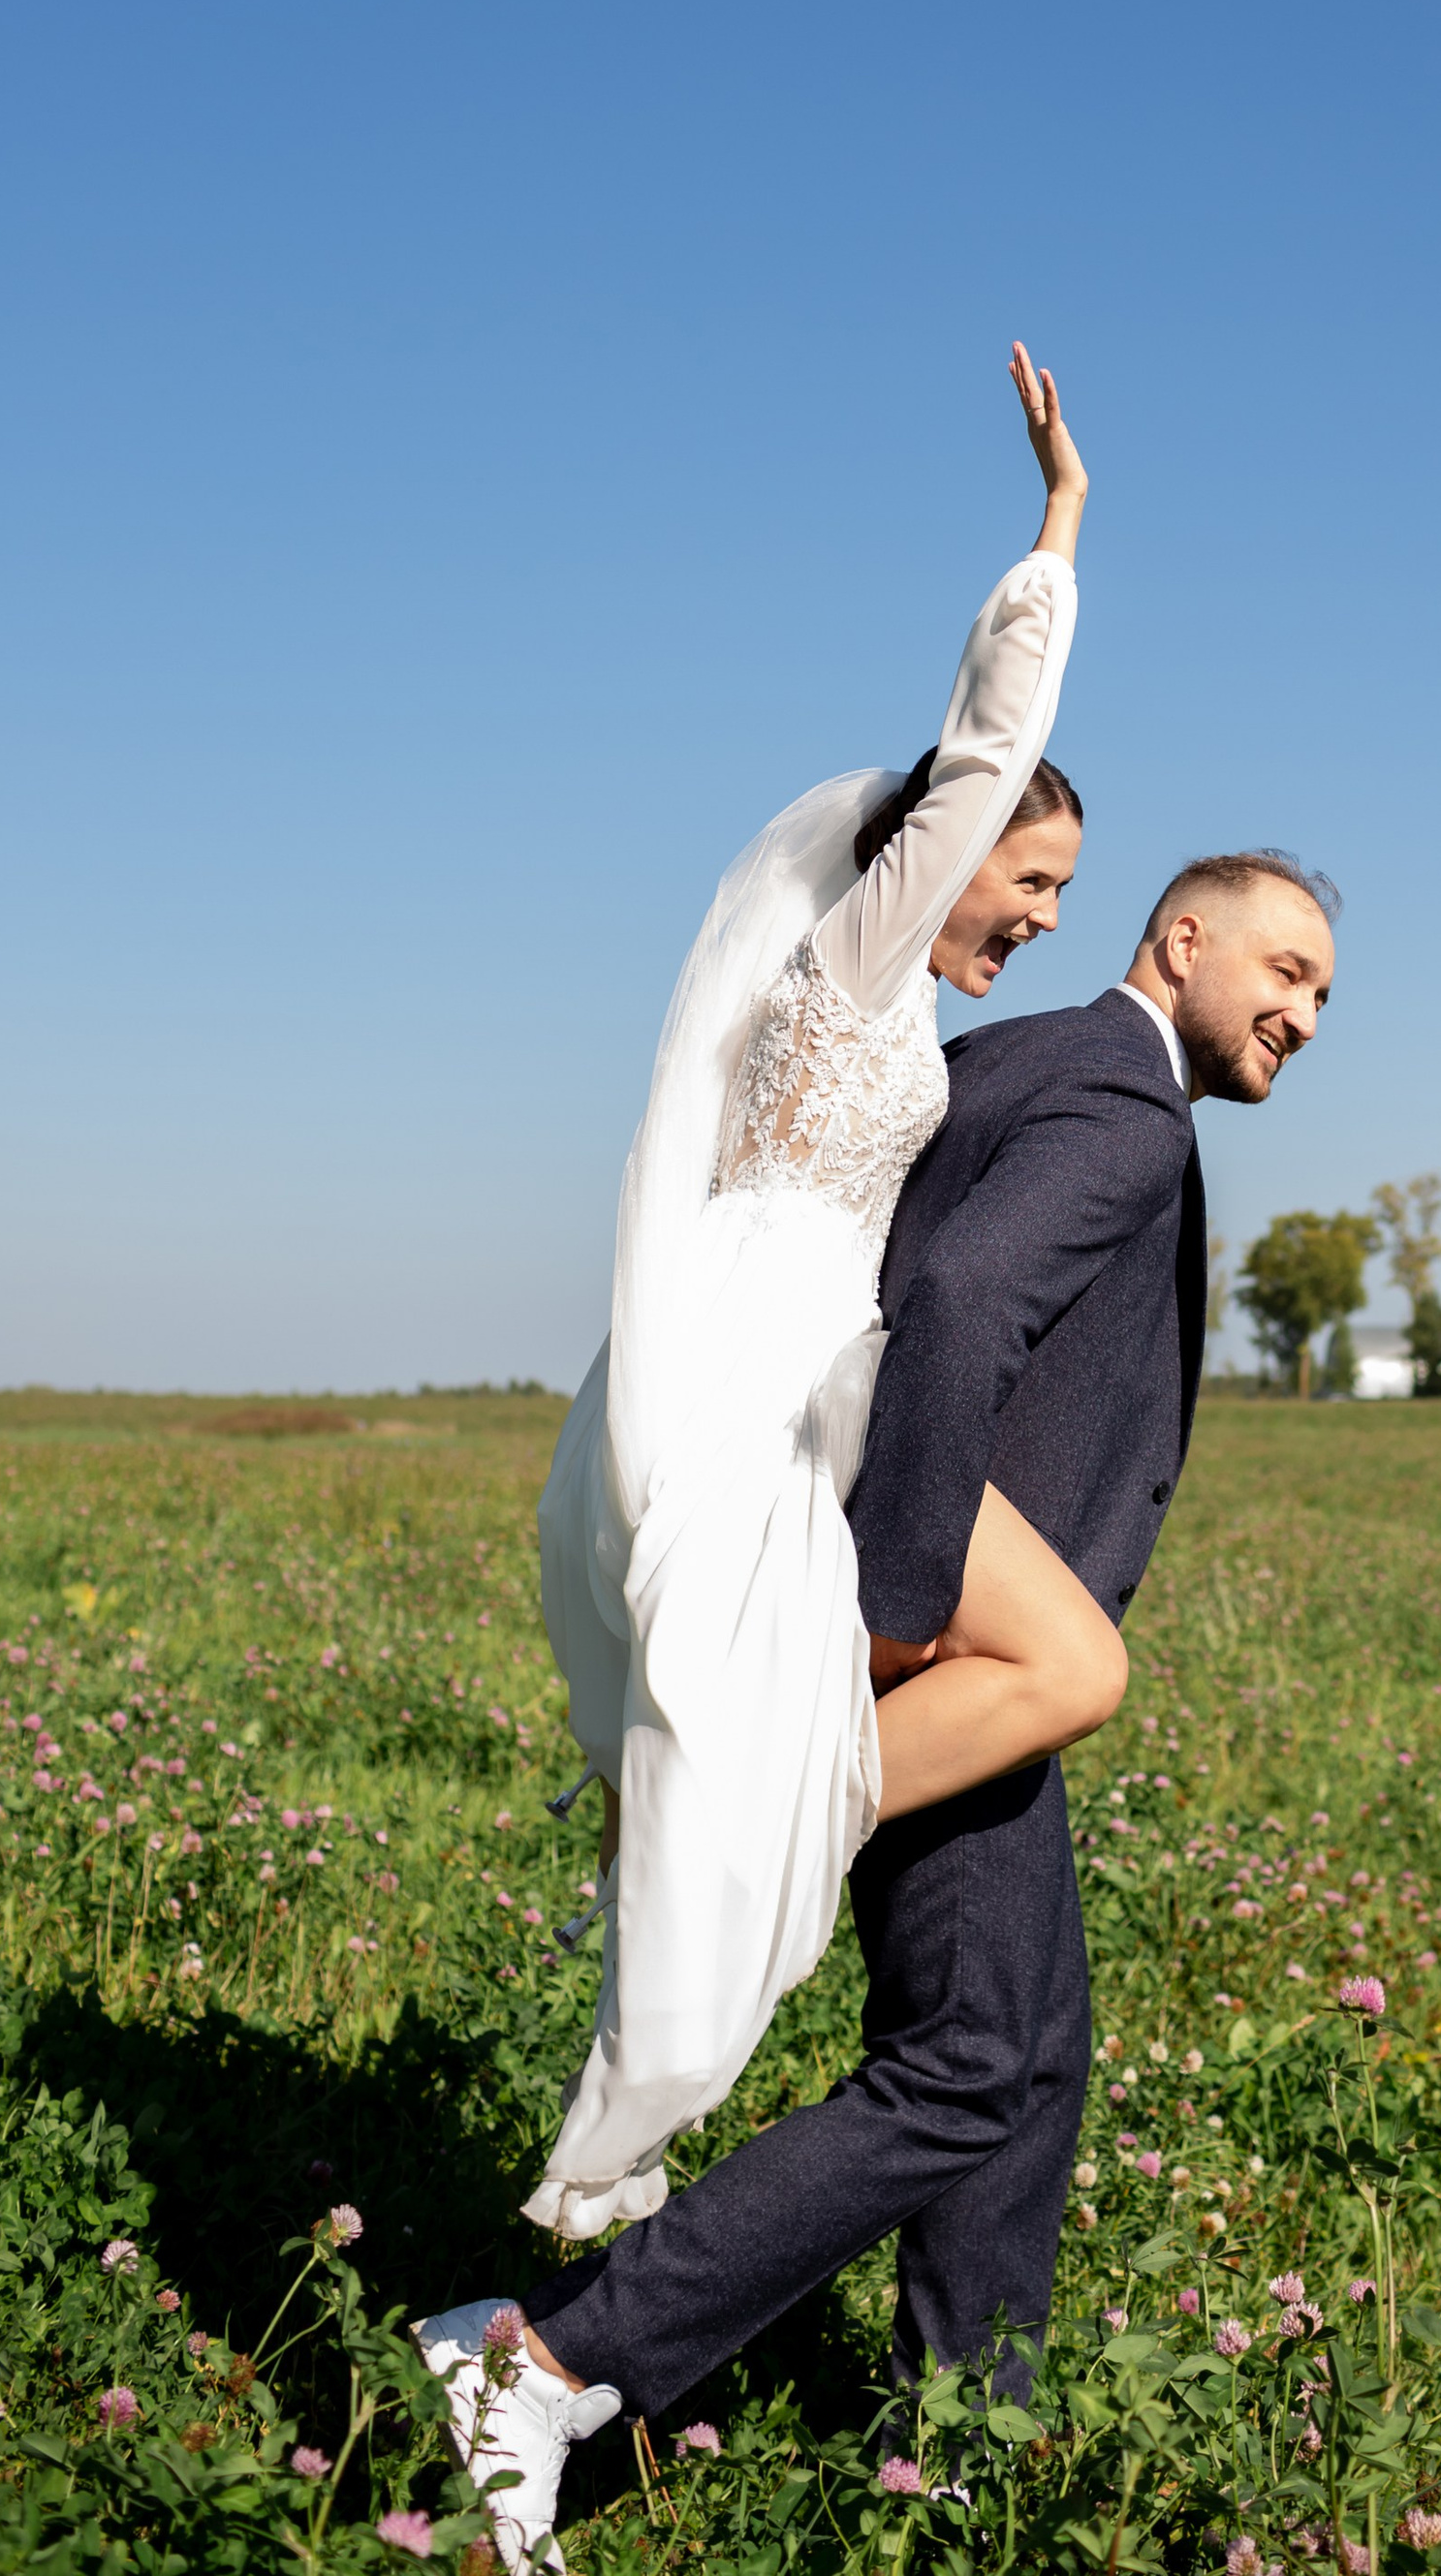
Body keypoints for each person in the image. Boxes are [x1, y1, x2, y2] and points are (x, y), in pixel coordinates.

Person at [416, 844, 1338, 2565]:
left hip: (915, 1605)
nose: (1302, 1011)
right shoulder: (1123, 1108)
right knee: (970, 2062)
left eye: (1323, 998)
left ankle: (961, 2446)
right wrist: (907, 1609)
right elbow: (962, 1303)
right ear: (1184, 937)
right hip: (950, 1632)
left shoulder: (1012, 1061)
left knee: (1029, 2049)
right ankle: (541, 2357)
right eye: (1284, 968)